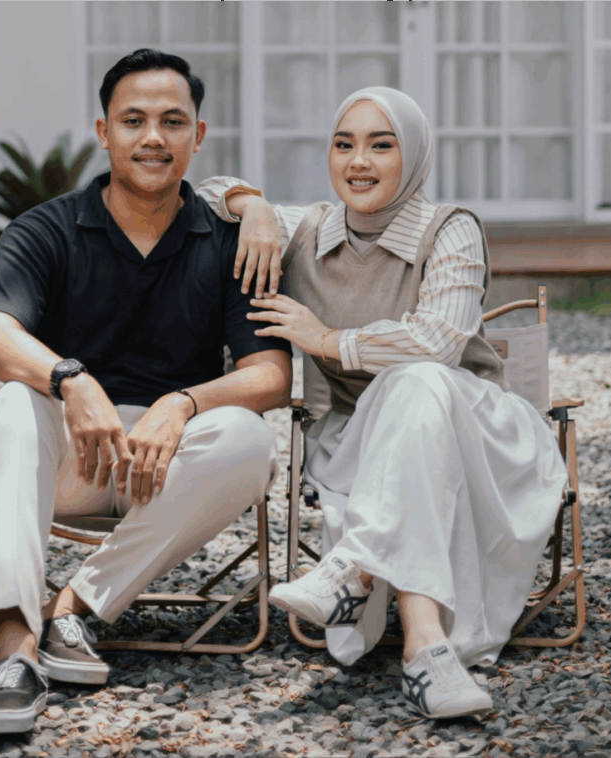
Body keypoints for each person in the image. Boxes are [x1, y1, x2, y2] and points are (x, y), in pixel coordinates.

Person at [195, 86, 567, 719]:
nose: (358, 161)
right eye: (344, 144)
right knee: (407, 395)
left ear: (413, 155)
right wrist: (252, 206)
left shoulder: (450, 229)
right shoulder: (307, 229)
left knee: (418, 381)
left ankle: (356, 573)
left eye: (381, 145)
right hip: (361, 442)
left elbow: (439, 342)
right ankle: (425, 651)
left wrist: (326, 340)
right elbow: (201, 194)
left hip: (477, 434)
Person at [0, 49, 292, 735]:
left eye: (173, 121)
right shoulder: (47, 229)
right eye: (133, 120)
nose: (153, 138)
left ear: (198, 137)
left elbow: (270, 375)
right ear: (103, 132)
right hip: (74, 460)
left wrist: (182, 403)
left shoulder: (231, 242)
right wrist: (70, 380)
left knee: (249, 438)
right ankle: (13, 652)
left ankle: (73, 608)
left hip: (169, 470)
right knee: (13, 405)